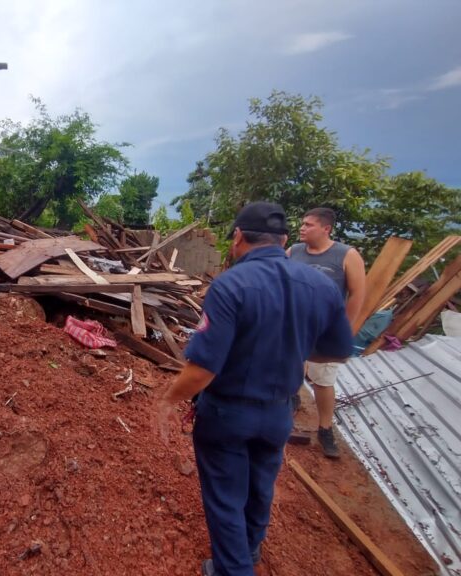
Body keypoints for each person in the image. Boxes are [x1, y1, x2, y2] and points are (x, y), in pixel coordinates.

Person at [157, 202, 353, 576]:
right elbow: (340, 351)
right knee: (261, 485)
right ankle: (249, 551)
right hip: (279, 412)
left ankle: (233, 569)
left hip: (227, 414)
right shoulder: (321, 285)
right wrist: (293, 344)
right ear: (283, 241)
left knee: (226, 498)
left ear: (238, 237)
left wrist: (168, 398)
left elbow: (202, 369)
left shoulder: (232, 285)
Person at [288, 207, 366, 458]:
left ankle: (325, 428)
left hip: (326, 329)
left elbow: (357, 293)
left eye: (308, 224)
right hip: (296, 326)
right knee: (292, 368)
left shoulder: (346, 255)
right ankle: (292, 400)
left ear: (326, 229)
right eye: (302, 223)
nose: (302, 228)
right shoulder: (293, 252)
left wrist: (345, 327)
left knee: (323, 379)